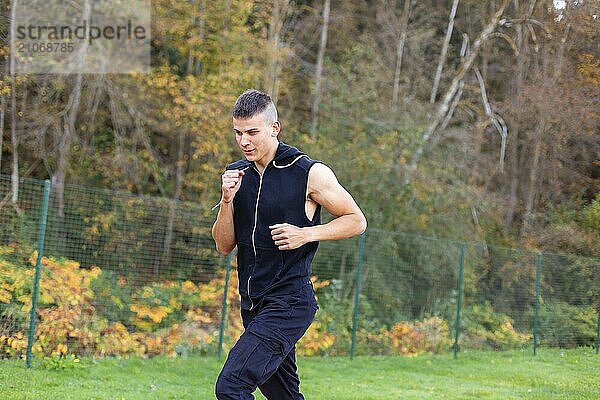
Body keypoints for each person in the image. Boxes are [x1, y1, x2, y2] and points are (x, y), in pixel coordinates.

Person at [212, 89, 366, 400]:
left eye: (252, 132)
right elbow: (223, 245)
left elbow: (356, 220)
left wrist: (306, 233)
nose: (244, 141)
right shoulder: (237, 174)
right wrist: (227, 201)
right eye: (238, 133)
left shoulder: (308, 172)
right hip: (253, 304)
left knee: (231, 386)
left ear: (274, 128)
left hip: (289, 302)